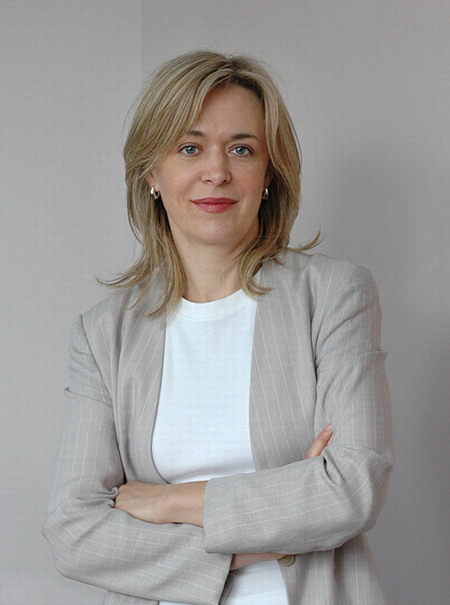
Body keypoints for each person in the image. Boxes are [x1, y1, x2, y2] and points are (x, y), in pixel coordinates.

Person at [43, 51, 394, 605]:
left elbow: (352, 488)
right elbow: (74, 535)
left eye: (241, 149)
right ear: (151, 173)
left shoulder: (333, 294)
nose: (217, 171)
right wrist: (278, 530)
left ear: (269, 174)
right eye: (190, 147)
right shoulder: (103, 335)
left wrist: (169, 502)